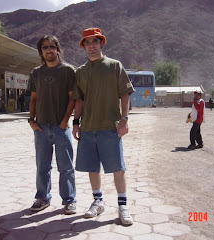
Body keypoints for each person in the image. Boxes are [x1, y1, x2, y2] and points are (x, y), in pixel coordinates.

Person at [72, 28, 135, 225]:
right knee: (92, 167)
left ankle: (123, 205)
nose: (91, 45)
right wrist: (75, 122)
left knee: (118, 168)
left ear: (101, 43)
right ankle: (98, 201)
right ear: (84, 47)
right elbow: (79, 100)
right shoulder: (81, 72)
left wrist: (124, 119)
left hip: (110, 126)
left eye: (94, 41)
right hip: (88, 127)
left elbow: (125, 93)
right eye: (87, 42)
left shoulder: (114, 66)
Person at [28, 35, 77, 214]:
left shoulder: (68, 71)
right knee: (42, 166)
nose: (48, 50)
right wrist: (31, 121)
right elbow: (33, 98)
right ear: (41, 51)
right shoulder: (36, 73)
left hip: (61, 127)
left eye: (51, 46)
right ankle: (42, 198)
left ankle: (69, 200)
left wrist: (65, 122)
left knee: (66, 167)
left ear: (57, 49)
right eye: (44, 47)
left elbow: (73, 99)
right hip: (40, 128)